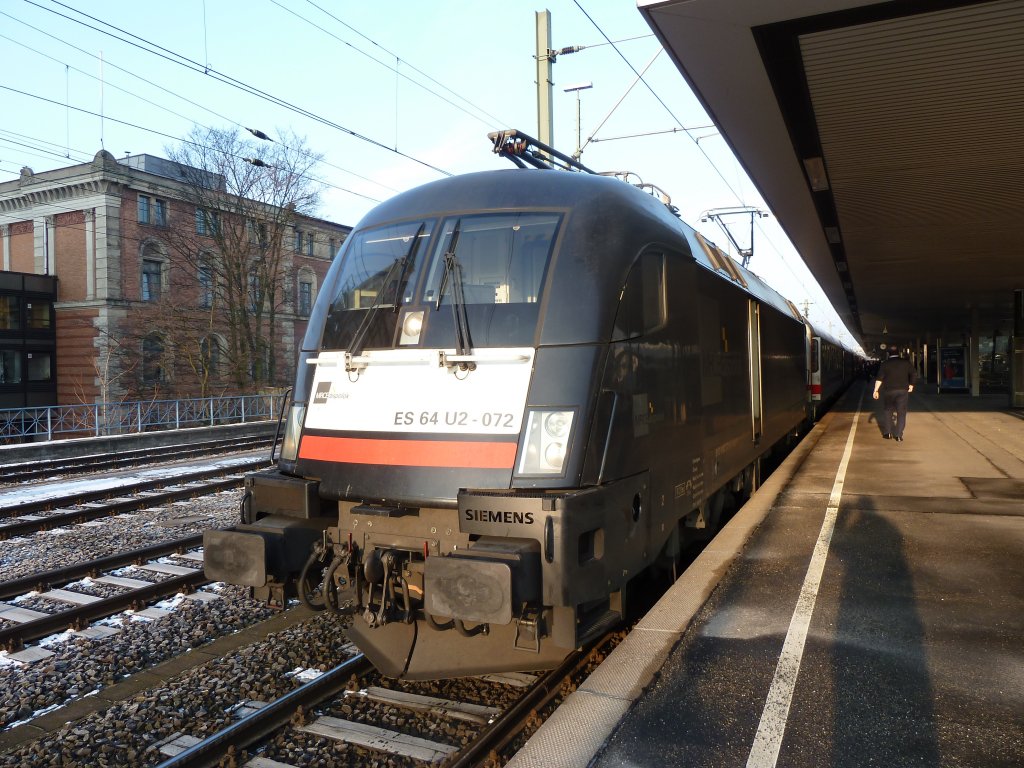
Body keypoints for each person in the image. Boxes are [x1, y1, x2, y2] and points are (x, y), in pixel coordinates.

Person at [872, 346, 917, 441]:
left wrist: (875, 390)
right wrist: (911, 385)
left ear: (888, 353)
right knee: (901, 413)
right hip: (902, 391)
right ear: (898, 353)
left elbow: (879, 378)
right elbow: (913, 373)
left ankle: (887, 433)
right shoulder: (906, 363)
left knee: (888, 411)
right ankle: (899, 435)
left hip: (889, 391)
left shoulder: (885, 364)